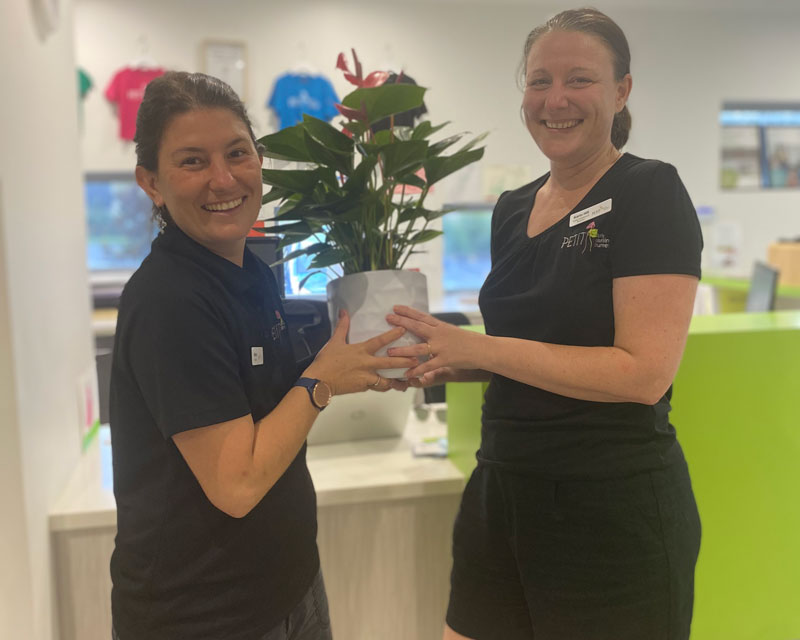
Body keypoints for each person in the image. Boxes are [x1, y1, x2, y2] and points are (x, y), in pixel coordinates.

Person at [387, 8, 703, 640]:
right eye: (539, 82)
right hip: (502, 486)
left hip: (608, 509)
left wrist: (481, 346)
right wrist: (452, 361)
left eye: (579, 79)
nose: (555, 99)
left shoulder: (649, 193)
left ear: (621, 91)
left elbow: (642, 374)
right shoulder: (512, 209)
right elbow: (532, 350)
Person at [109, 71, 415, 640]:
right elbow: (238, 482)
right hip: (205, 616)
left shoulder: (248, 271)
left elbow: (262, 406)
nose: (223, 179)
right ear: (150, 182)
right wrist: (321, 382)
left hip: (288, 585)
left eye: (237, 153)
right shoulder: (170, 300)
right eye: (192, 161)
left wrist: (354, 365)